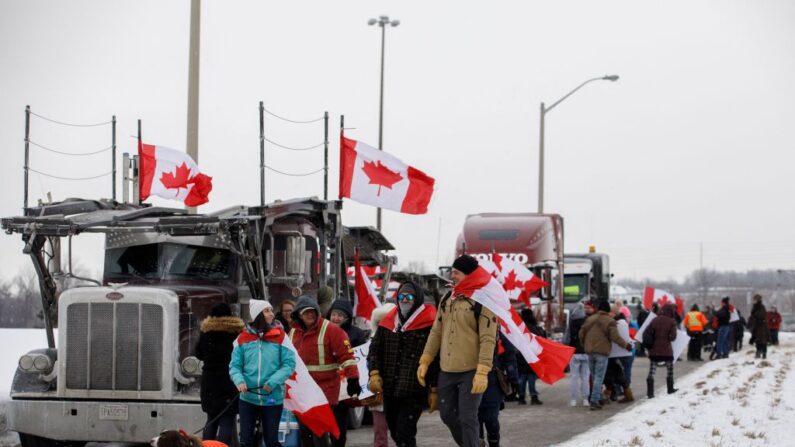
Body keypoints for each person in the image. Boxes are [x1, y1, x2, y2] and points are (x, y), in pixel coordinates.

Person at [418, 255, 498, 447]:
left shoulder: (483, 300)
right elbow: (437, 331)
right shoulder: (447, 298)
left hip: (471, 370)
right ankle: (474, 444)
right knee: (447, 415)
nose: (451, 275)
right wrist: (426, 359)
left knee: (467, 417)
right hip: (447, 369)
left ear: (468, 274)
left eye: (456, 272)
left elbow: (488, 338)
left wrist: (482, 370)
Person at [368, 281, 438, 447]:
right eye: (401, 296)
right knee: (394, 430)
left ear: (418, 298)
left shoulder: (429, 325)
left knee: (405, 432)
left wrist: (435, 388)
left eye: (409, 297)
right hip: (390, 388)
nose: (404, 300)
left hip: (414, 389)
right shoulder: (387, 323)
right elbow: (374, 350)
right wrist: (374, 372)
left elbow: (436, 359)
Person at [289, 295, 359, 447]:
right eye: (306, 312)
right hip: (302, 392)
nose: (310, 314)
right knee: (305, 432)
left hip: (325, 390)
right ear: (298, 314)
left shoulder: (332, 330)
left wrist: (353, 378)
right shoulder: (294, 332)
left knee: (319, 432)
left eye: (313, 311)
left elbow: (347, 356)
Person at [229, 299, 297, 447]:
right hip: (248, 398)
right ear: (258, 315)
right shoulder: (243, 338)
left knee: (271, 441)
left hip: (272, 397)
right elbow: (234, 366)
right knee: (246, 441)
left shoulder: (281, 336)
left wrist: (272, 382)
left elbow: (289, 364)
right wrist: (239, 381)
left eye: (271, 310)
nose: (272, 314)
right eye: (267, 311)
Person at [196, 303, 245, 447]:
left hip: (209, 381)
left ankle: (206, 445)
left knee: (211, 418)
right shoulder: (236, 333)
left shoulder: (206, 332)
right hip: (230, 380)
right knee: (227, 418)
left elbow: (198, 353)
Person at [579, 299, 633, 410]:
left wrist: (585, 344)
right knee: (599, 376)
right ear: (608, 310)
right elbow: (615, 337)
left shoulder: (590, 319)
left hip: (590, 352)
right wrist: (626, 345)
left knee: (594, 376)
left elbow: (581, 333)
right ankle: (594, 400)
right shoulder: (609, 321)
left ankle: (597, 398)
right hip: (601, 352)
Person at [478, 333, 518, 447]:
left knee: (491, 420)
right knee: (474, 422)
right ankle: (478, 441)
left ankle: (494, 441)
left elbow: (509, 356)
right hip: (470, 382)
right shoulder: (467, 331)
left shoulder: (498, 334)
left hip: (493, 384)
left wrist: (513, 378)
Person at [367, 302, 397, 447]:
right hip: (376, 392)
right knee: (379, 433)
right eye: (378, 322)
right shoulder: (370, 342)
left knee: (400, 432)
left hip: (396, 390)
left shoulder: (400, 339)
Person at [645, 303, 678, 398]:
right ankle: (670, 388)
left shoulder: (654, 320)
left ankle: (650, 392)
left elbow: (649, 334)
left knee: (652, 372)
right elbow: (672, 338)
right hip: (666, 351)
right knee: (669, 370)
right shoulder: (672, 322)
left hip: (654, 351)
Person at [563, 301, 591, 407]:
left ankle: (573, 400)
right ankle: (585, 399)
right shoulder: (587, 321)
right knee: (585, 377)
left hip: (574, 353)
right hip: (586, 351)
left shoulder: (571, 322)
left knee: (574, 377)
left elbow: (567, 337)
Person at [606, 303, 634, 403]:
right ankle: (625, 393)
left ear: (613, 313)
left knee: (612, 373)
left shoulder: (617, 323)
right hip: (620, 352)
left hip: (617, 352)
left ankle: (610, 394)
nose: (608, 314)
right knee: (617, 373)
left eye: (610, 312)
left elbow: (616, 338)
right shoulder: (622, 322)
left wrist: (625, 345)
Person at [517, 308, 545, 405]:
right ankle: (533, 397)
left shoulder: (519, 327)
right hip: (532, 354)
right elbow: (540, 338)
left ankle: (521, 397)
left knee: (522, 377)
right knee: (531, 376)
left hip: (521, 355)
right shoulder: (534, 327)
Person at [748, 294, 770, 359]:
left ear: (758, 300)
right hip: (756, 326)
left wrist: (755, 315)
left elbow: (762, 315)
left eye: (755, 300)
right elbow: (752, 316)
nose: (753, 301)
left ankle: (764, 353)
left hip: (762, 326)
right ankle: (758, 352)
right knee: (757, 340)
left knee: (763, 341)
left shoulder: (761, 307)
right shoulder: (754, 307)